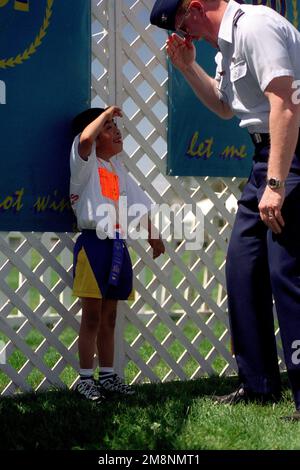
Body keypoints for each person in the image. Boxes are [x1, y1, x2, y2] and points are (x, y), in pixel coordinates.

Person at [150, 0, 300, 420]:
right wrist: (186, 67)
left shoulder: (253, 26)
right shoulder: (226, 47)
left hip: (290, 154)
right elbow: (223, 105)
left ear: (196, 7)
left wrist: (276, 183)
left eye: (182, 23)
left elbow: (286, 103)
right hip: (263, 158)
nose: (186, 35)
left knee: (286, 271)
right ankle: (258, 385)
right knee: (242, 265)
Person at [70, 106, 165, 401]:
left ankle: (108, 376)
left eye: (114, 125)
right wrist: (106, 113)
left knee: (110, 317)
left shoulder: (118, 170)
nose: (115, 130)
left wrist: (153, 235)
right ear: (97, 136)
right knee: (92, 318)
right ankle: (86, 380)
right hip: (93, 246)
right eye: (108, 127)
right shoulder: (84, 165)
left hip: (117, 247)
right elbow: (85, 140)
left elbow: (138, 204)